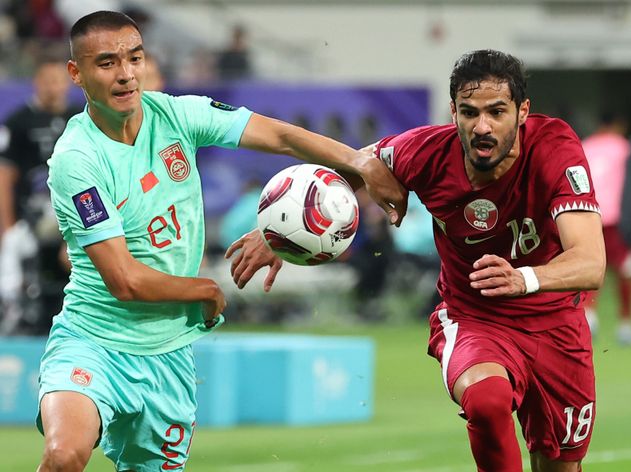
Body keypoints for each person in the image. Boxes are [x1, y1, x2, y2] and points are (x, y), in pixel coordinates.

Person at [36, 10, 405, 472]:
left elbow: (282, 136)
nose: (126, 74)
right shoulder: (77, 159)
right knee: (64, 454)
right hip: (94, 341)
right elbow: (124, 280)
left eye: (135, 58)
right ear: (77, 73)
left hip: (169, 354)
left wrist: (360, 163)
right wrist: (205, 289)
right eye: (107, 63)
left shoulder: (177, 115)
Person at [228, 49, 606, 472]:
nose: (482, 126)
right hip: (476, 318)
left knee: (560, 465)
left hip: (556, 324)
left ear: (522, 112)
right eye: (469, 112)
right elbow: (355, 168)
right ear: (453, 112)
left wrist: (523, 279)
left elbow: (590, 262)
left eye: (497, 112)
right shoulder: (425, 153)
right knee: (487, 401)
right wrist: (280, 229)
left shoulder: (554, 148)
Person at [0, 58, 81, 335]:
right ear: (36, 83)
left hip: (74, 209)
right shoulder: (18, 122)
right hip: (32, 213)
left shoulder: (80, 119)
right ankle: (15, 316)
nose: (53, 87)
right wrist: (7, 226)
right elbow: (5, 176)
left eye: (58, 81)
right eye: (47, 81)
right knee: (14, 263)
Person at [581, 111, 631, 345]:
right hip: (616, 217)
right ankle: (625, 323)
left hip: (590, 214)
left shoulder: (586, 145)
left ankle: (589, 315)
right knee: (625, 269)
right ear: (617, 124)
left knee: (592, 267)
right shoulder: (623, 147)